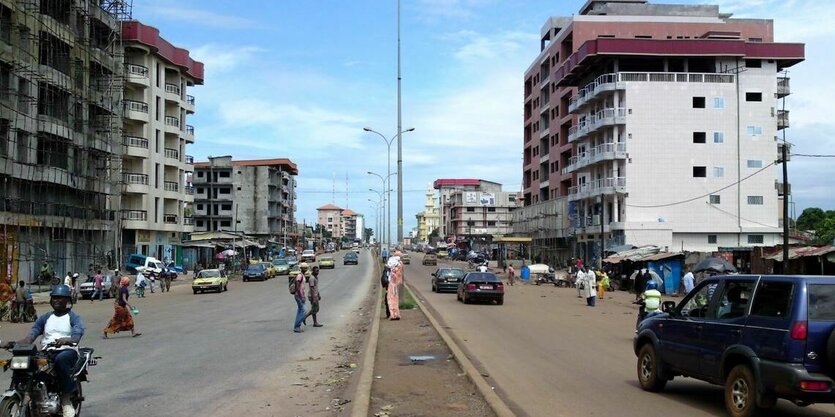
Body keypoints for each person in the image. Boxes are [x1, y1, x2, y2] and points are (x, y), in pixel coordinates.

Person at [3, 286, 84, 417]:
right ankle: (31, 394)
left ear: (67, 300)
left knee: (60, 360)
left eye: (60, 298)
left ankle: (66, 399)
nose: (56, 300)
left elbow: (77, 333)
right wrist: (12, 343)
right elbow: (31, 335)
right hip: (47, 350)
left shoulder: (73, 317)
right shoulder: (45, 317)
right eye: (54, 298)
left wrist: (68, 340)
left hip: (67, 350)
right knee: (30, 365)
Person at [292, 263, 309, 333]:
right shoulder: (299, 275)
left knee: (300, 310)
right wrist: (301, 296)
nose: (306, 269)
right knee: (304, 310)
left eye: (306, 268)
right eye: (304, 268)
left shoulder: (302, 275)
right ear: (301, 268)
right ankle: (297, 326)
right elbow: (297, 286)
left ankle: (297, 326)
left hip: (300, 295)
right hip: (298, 296)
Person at [387, 251, 403, 321]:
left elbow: (393, 275)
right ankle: (397, 314)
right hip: (396, 284)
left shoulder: (393, 264)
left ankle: (393, 314)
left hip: (392, 284)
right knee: (395, 299)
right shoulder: (400, 264)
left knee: (390, 299)